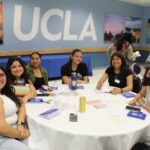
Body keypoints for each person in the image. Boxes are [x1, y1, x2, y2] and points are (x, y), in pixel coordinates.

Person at [0, 66, 32, 150]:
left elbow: (21, 106)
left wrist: (20, 124)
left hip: (15, 130)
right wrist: (21, 134)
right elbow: (2, 128)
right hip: (3, 137)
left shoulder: (8, 91)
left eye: (1, 75)